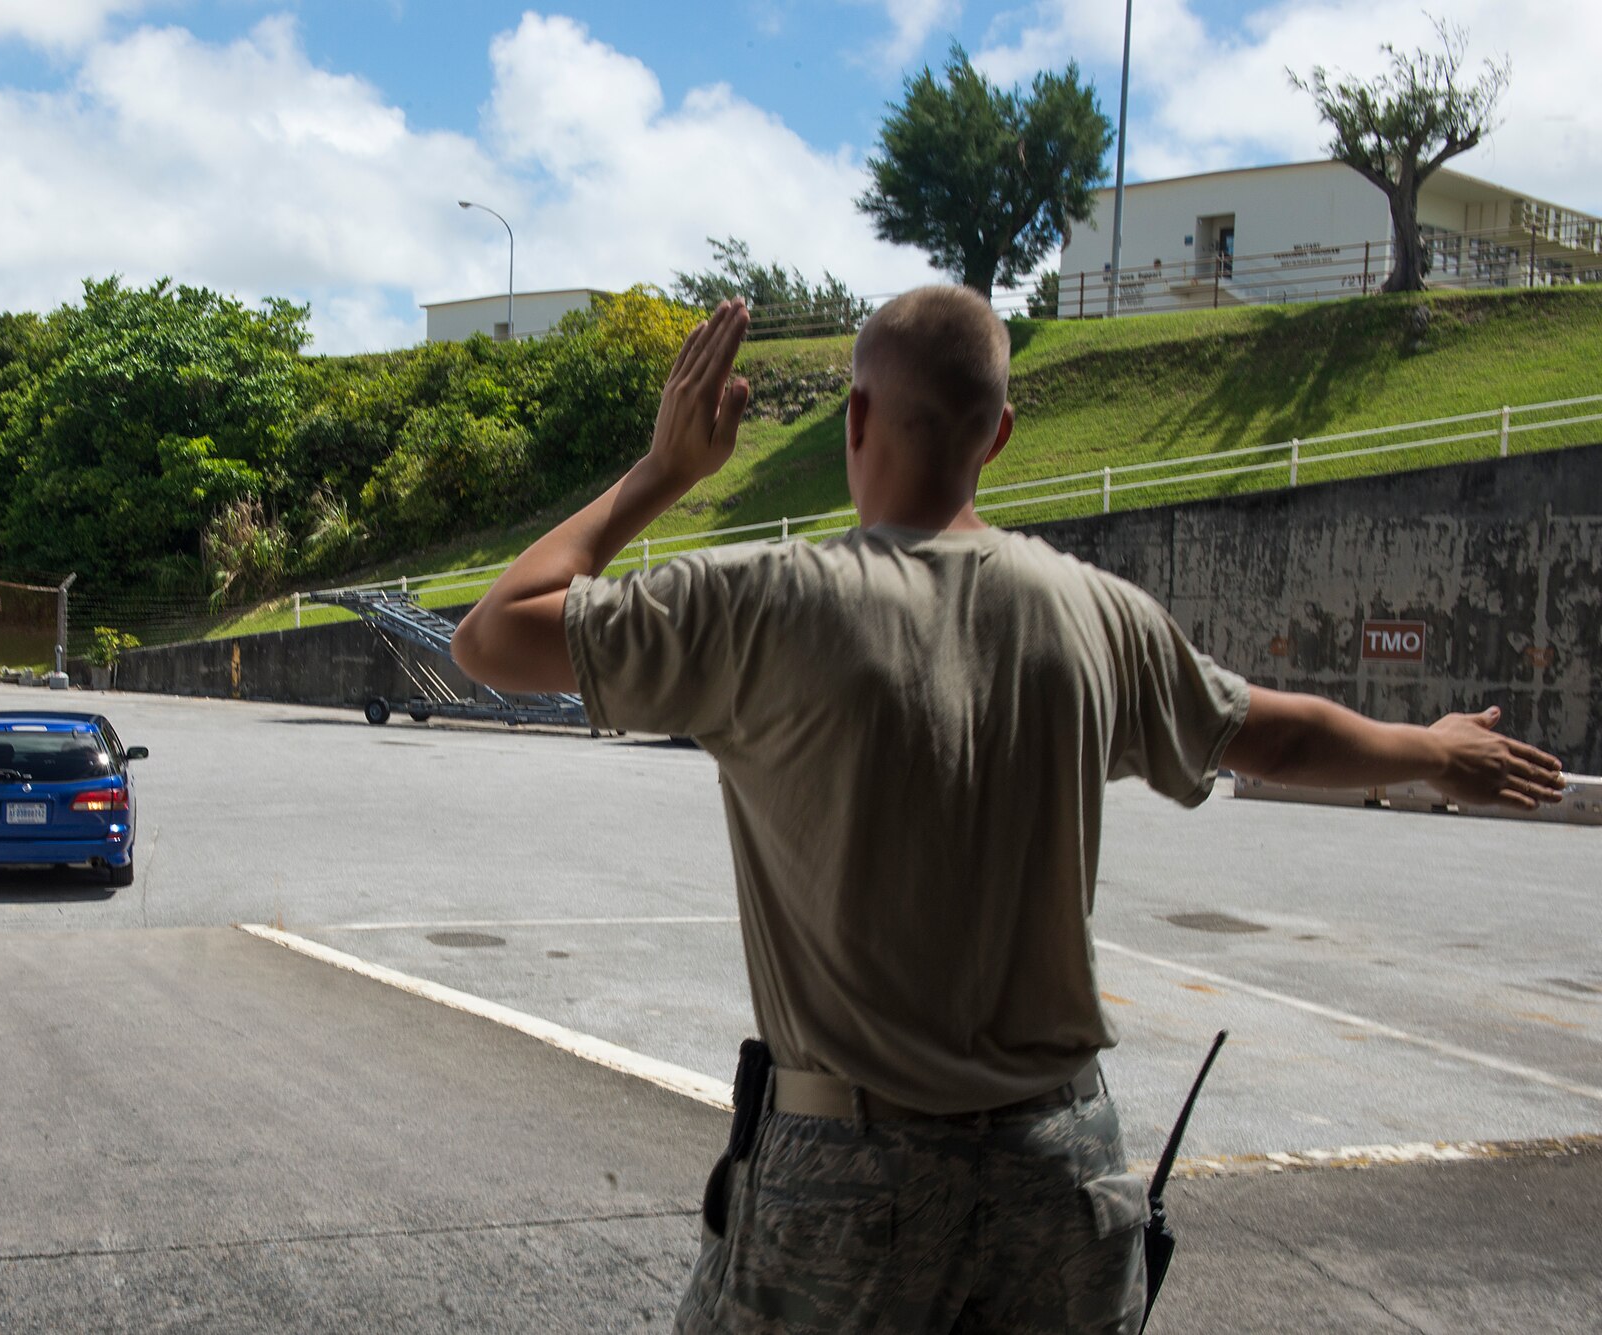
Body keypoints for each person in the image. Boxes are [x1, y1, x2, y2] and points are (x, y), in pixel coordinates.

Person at [450, 290, 1564, 1333]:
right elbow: (1274, 732)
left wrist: (661, 470)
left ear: (855, 416)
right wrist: (1435, 752)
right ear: (999, 435)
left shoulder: (762, 606)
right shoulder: (1096, 616)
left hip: (847, 1176)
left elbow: (491, 634)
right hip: (1061, 1168)